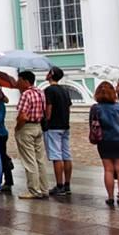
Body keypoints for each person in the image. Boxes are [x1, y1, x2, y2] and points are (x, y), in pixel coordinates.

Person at [92, 82, 119, 207]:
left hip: (104, 141)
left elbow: (92, 125)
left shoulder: (95, 108)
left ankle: (110, 197)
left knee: (108, 169)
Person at [14, 71, 49, 200]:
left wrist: (17, 128)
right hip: (38, 126)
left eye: (19, 80)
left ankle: (34, 190)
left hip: (27, 127)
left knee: (29, 160)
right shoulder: (40, 92)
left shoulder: (26, 94)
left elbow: (23, 115)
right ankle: (44, 188)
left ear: (25, 81)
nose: (18, 82)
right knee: (40, 159)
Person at [44, 67, 73, 196]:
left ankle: (59, 185)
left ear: (51, 75)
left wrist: (46, 120)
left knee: (56, 156)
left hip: (53, 126)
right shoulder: (65, 90)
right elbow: (69, 107)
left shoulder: (49, 90)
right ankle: (67, 185)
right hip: (65, 125)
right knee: (66, 155)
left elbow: (48, 108)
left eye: (48, 72)